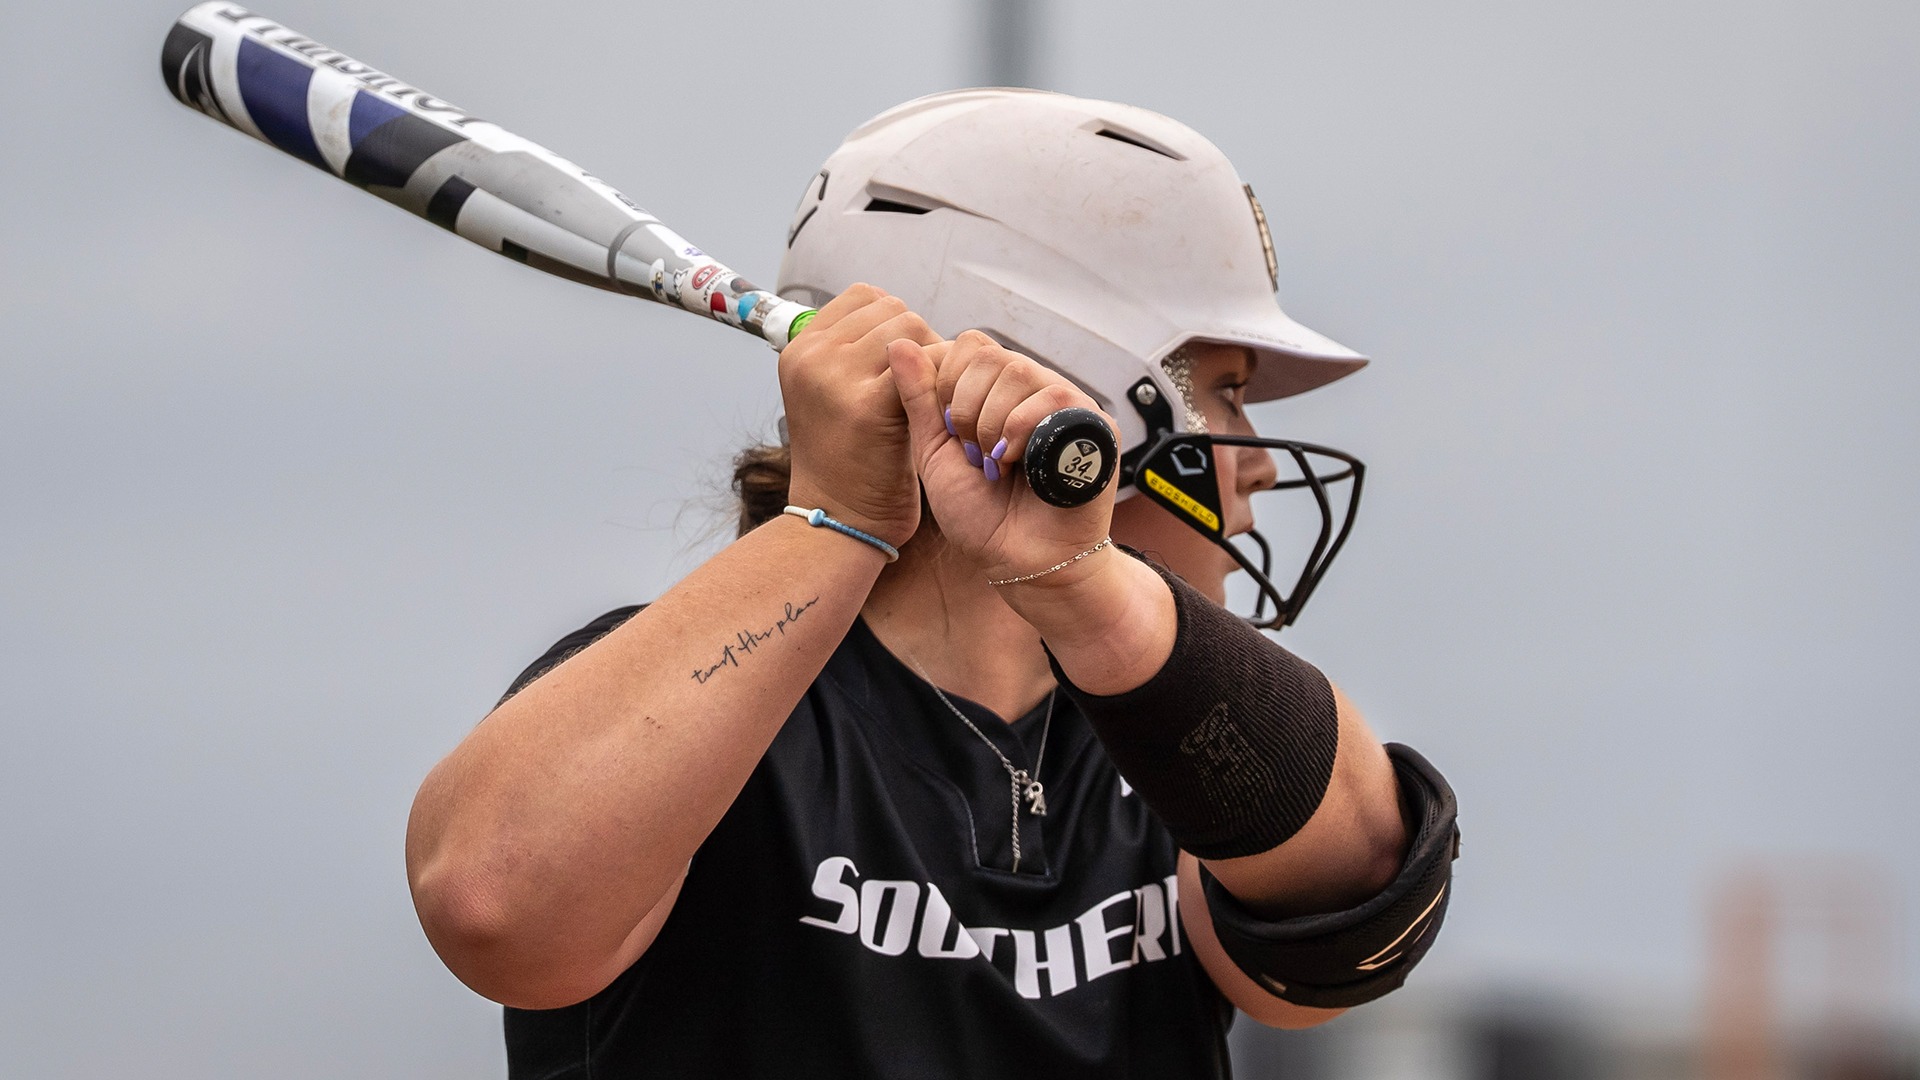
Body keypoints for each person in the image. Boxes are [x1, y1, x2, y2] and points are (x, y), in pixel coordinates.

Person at [404, 89, 1459, 1078]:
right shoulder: (697, 706)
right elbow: (498, 907)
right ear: (1090, 395)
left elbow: (1351, 911)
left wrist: (1073, 575)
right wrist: (843, 519)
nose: (1259, 457)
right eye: (1224, 393)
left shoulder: (1175, 752)